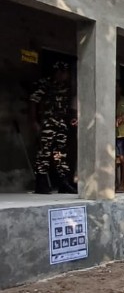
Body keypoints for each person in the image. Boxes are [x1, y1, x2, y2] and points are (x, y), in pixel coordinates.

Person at [31, 61, 76, 194]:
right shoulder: (44, 84)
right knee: (44, 152)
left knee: (60, 153)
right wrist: (34, 121)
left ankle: (64, 183)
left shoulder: (65, 87)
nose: (66, 75)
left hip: (61, 122)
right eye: (64, 72)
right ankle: (41, 182)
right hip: (48, 122)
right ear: (58, 72)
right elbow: (34, 101)